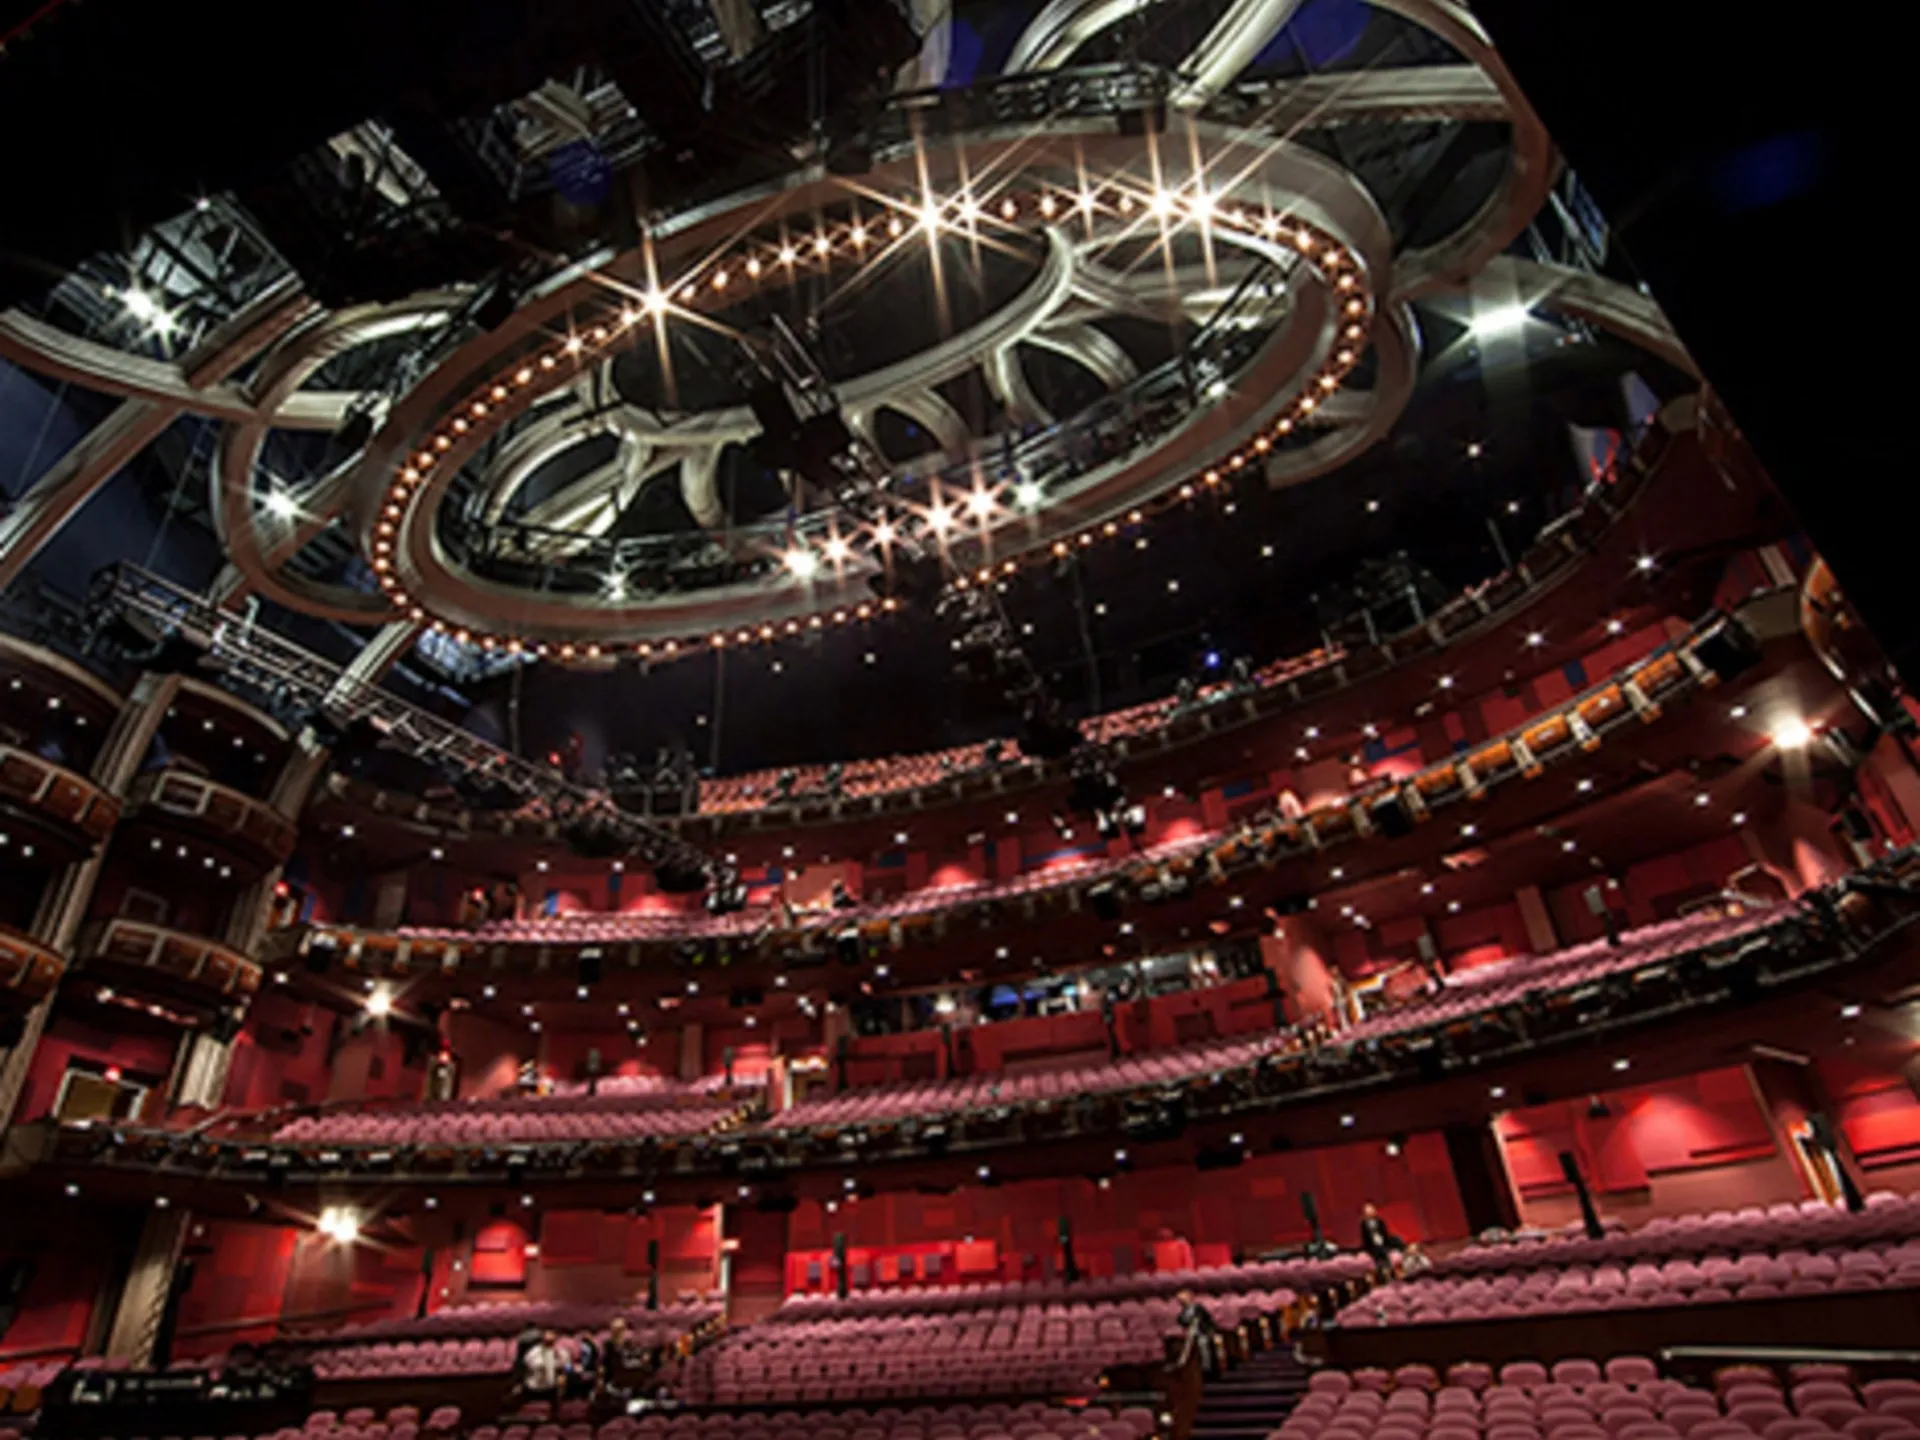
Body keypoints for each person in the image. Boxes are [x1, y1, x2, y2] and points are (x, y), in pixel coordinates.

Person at [1358, 1202, 1405, 1278]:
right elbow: (1365, 1239)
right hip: (1372, 1247)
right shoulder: (1363, 1224)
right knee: (1377, 1258)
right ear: (1364, 1212)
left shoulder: (1380, 1222)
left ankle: (1393, 1273)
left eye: (1371, 1209)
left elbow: (1386, 1235)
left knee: (1390, 1251)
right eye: (1368, 1210)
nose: (1370, 1211)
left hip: (1384, 1245)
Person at [519, 1328, 563, 1403]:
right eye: (547, 1341)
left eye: (552, 1341)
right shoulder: (534, 1351)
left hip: (550, 1389)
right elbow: (528, 1364)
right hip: (534, 1387)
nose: (549, 1343)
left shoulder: (559, 1352)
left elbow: (562, 1364)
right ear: (543, 1340)